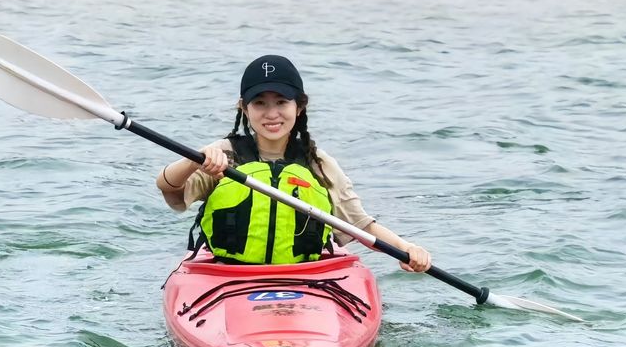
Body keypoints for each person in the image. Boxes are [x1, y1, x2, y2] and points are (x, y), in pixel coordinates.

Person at [157, 54, 431, 273]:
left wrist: (405, 248)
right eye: (260, 103)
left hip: (303, 276)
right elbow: (170, 190)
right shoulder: (222, 155)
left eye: (281, 102)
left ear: (299, 107)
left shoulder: (319, 163)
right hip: (230, 274)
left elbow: (360, 225)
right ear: (244, 108)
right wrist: (195, 160)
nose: (271, 113)